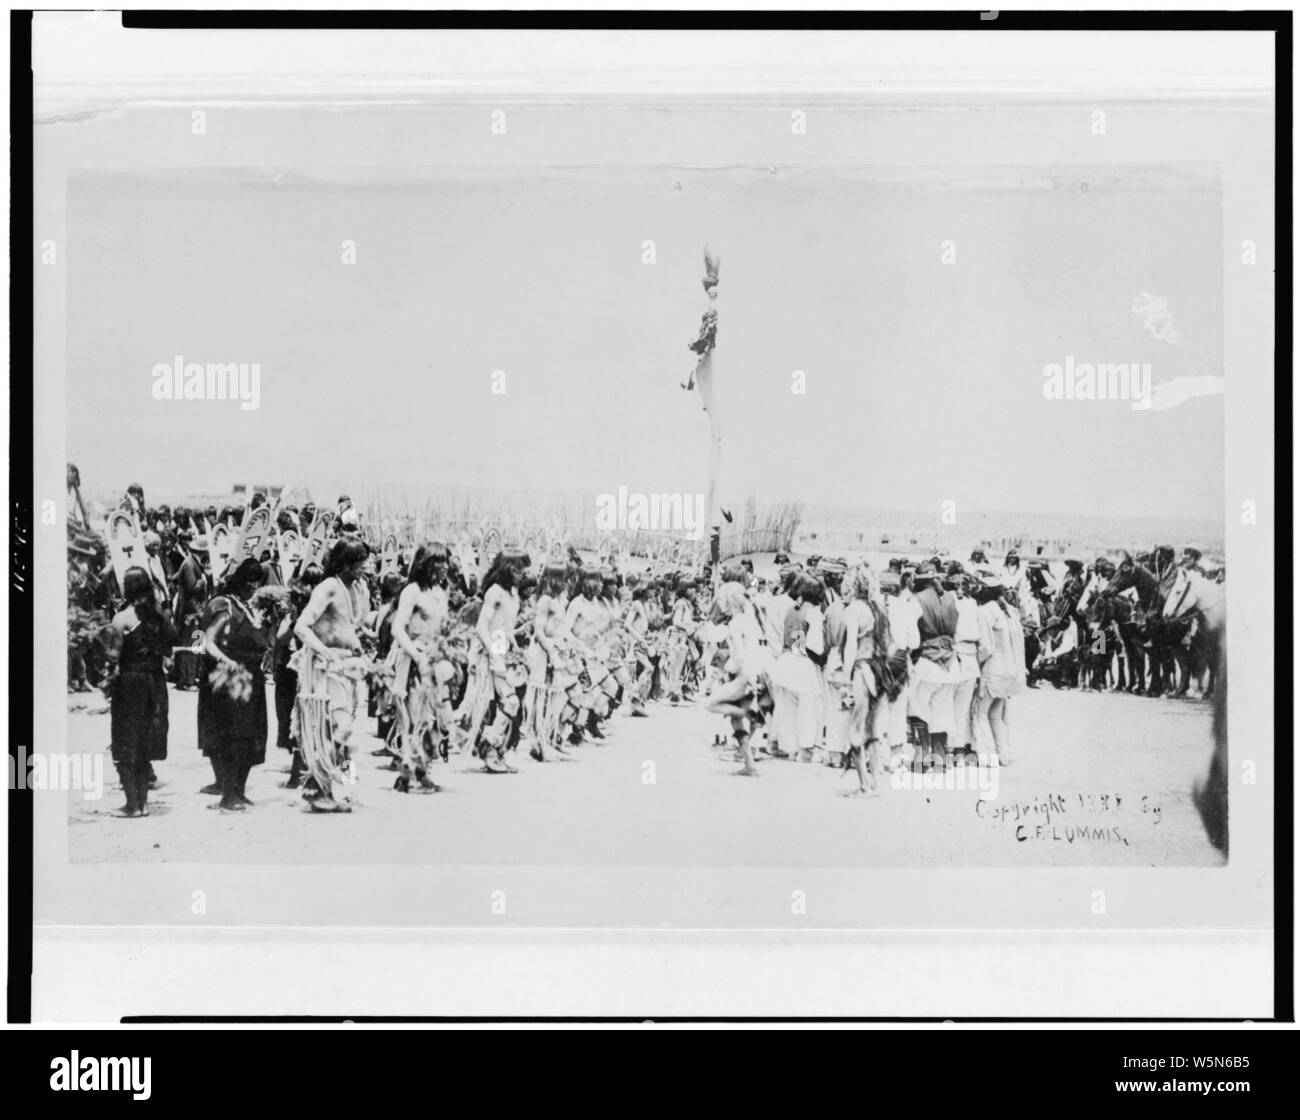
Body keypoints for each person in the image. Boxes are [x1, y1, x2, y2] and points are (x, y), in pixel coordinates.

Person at [292, 538, 372, 811]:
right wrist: (327, 653)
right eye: (360, 563)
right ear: (345, 563)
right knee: (339, 729)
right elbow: (302, 627)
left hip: (347, 669)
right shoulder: (328, 587)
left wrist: (358, 646)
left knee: (343, 733)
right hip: (326, 670)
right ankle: (316, 783)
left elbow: (348, 626)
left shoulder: (357, 588)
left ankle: (338, 790)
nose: (365, 567)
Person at [197, 557, 271, 812]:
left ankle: (239, 789)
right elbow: (210, 641)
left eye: (256, 583)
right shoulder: (223, 604)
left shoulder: (247, 606)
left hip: (252, 676)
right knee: (233, 735)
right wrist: (227, 661)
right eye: (249, 582)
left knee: (252, 735)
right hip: (232, 677)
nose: (253, 587)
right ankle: (228, 794)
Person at [104, 567, 175, 817]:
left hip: (130, 683)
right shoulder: (161, 616)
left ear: (127, 588)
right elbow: (169, 651)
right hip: (155, 684)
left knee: (125, 741)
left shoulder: (122, 618)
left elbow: (113, 655)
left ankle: (132, 804)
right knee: (145, 741)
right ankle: (143, 804)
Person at [388, 543, 454, 792]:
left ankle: (422, 770)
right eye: (440, 562)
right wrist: (416, 655)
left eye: (447, 561)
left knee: (435, 719)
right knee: (414, 718)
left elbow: (442, 628)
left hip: (435, 660)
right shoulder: (412, 591)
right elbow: (398, 628)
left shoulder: (441, 591)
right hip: (412, 661)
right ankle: (408, 774)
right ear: (426, 564)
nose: (445, 566)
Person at [974, 574, 1026, 766]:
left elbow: (986, 647)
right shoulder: (1011, 611)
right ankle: (1004, 753)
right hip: (1011, 670)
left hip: (993, 670)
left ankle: (987, 755)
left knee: (980, 714)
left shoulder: (985, 611)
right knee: (996, 715)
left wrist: (976, 663)